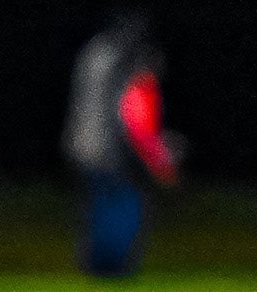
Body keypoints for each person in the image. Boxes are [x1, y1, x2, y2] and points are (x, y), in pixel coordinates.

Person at [64, 9, 184, 278]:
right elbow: (133, 115)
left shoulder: (94, 52)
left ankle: (97, 266)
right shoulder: (126, 60)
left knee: (98, 206)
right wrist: (158, 160)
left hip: (82, 145)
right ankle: (112, 268)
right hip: (111, 149)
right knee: (123, 205)